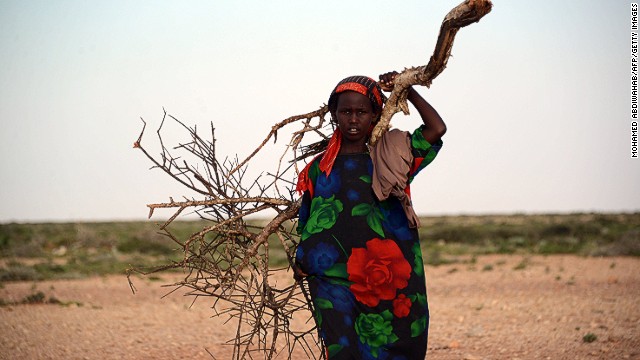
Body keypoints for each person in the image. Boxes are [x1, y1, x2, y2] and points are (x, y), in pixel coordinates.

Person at [295, 72, 446, 360]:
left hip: (391, 277)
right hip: (335, 278)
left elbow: (437, 128)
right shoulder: (320, 167)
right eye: (346, 112)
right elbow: (310, 217)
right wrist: (301, 256)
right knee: (343, 348)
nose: (353, 119)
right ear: (335, 115)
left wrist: (406, 89)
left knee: (398, 343)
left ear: (375, 114)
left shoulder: (394, 157)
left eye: (361, 112)